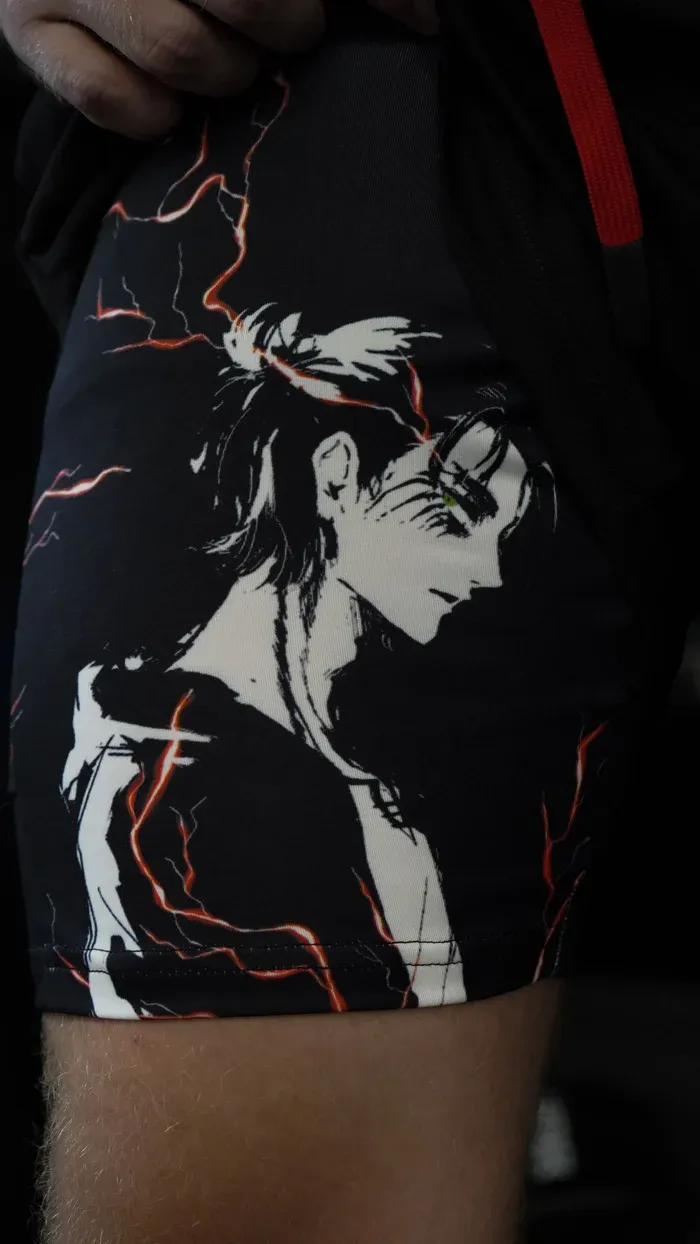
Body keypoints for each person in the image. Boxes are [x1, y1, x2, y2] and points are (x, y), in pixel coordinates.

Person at [6, 1, 700, 1243]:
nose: (482, 567)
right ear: (331, 472)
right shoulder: (178, 768)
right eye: (459, 508)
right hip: (390, 89)